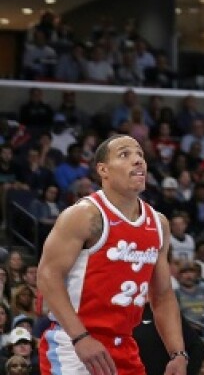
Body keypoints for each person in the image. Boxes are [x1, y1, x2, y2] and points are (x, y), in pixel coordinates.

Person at [37, 134, 190, 375]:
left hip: (125, 346)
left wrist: (178, 353)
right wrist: (80, 338)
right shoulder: (84, 216)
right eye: (125, 154)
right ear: (103, 170)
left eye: (140, 154)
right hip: (74, 345)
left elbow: (162, 295)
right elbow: (47, 276)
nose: (138, 160)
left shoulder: (159, 224)